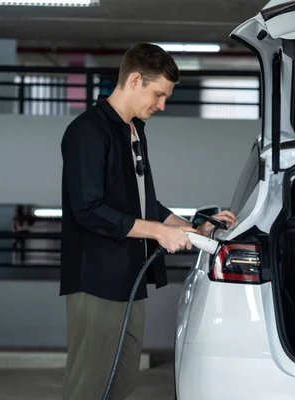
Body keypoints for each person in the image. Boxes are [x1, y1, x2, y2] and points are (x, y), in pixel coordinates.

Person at [59, 43, 237, 400]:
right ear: (136, 80)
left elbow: (142, 201)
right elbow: (88, 208)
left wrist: (191, 228)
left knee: (122, 382)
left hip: (129, 277)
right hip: (96, 281)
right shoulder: (88, 132)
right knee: (90, 386)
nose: (162, 105)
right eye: (158, 94)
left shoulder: (134, 130)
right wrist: (159, 232)